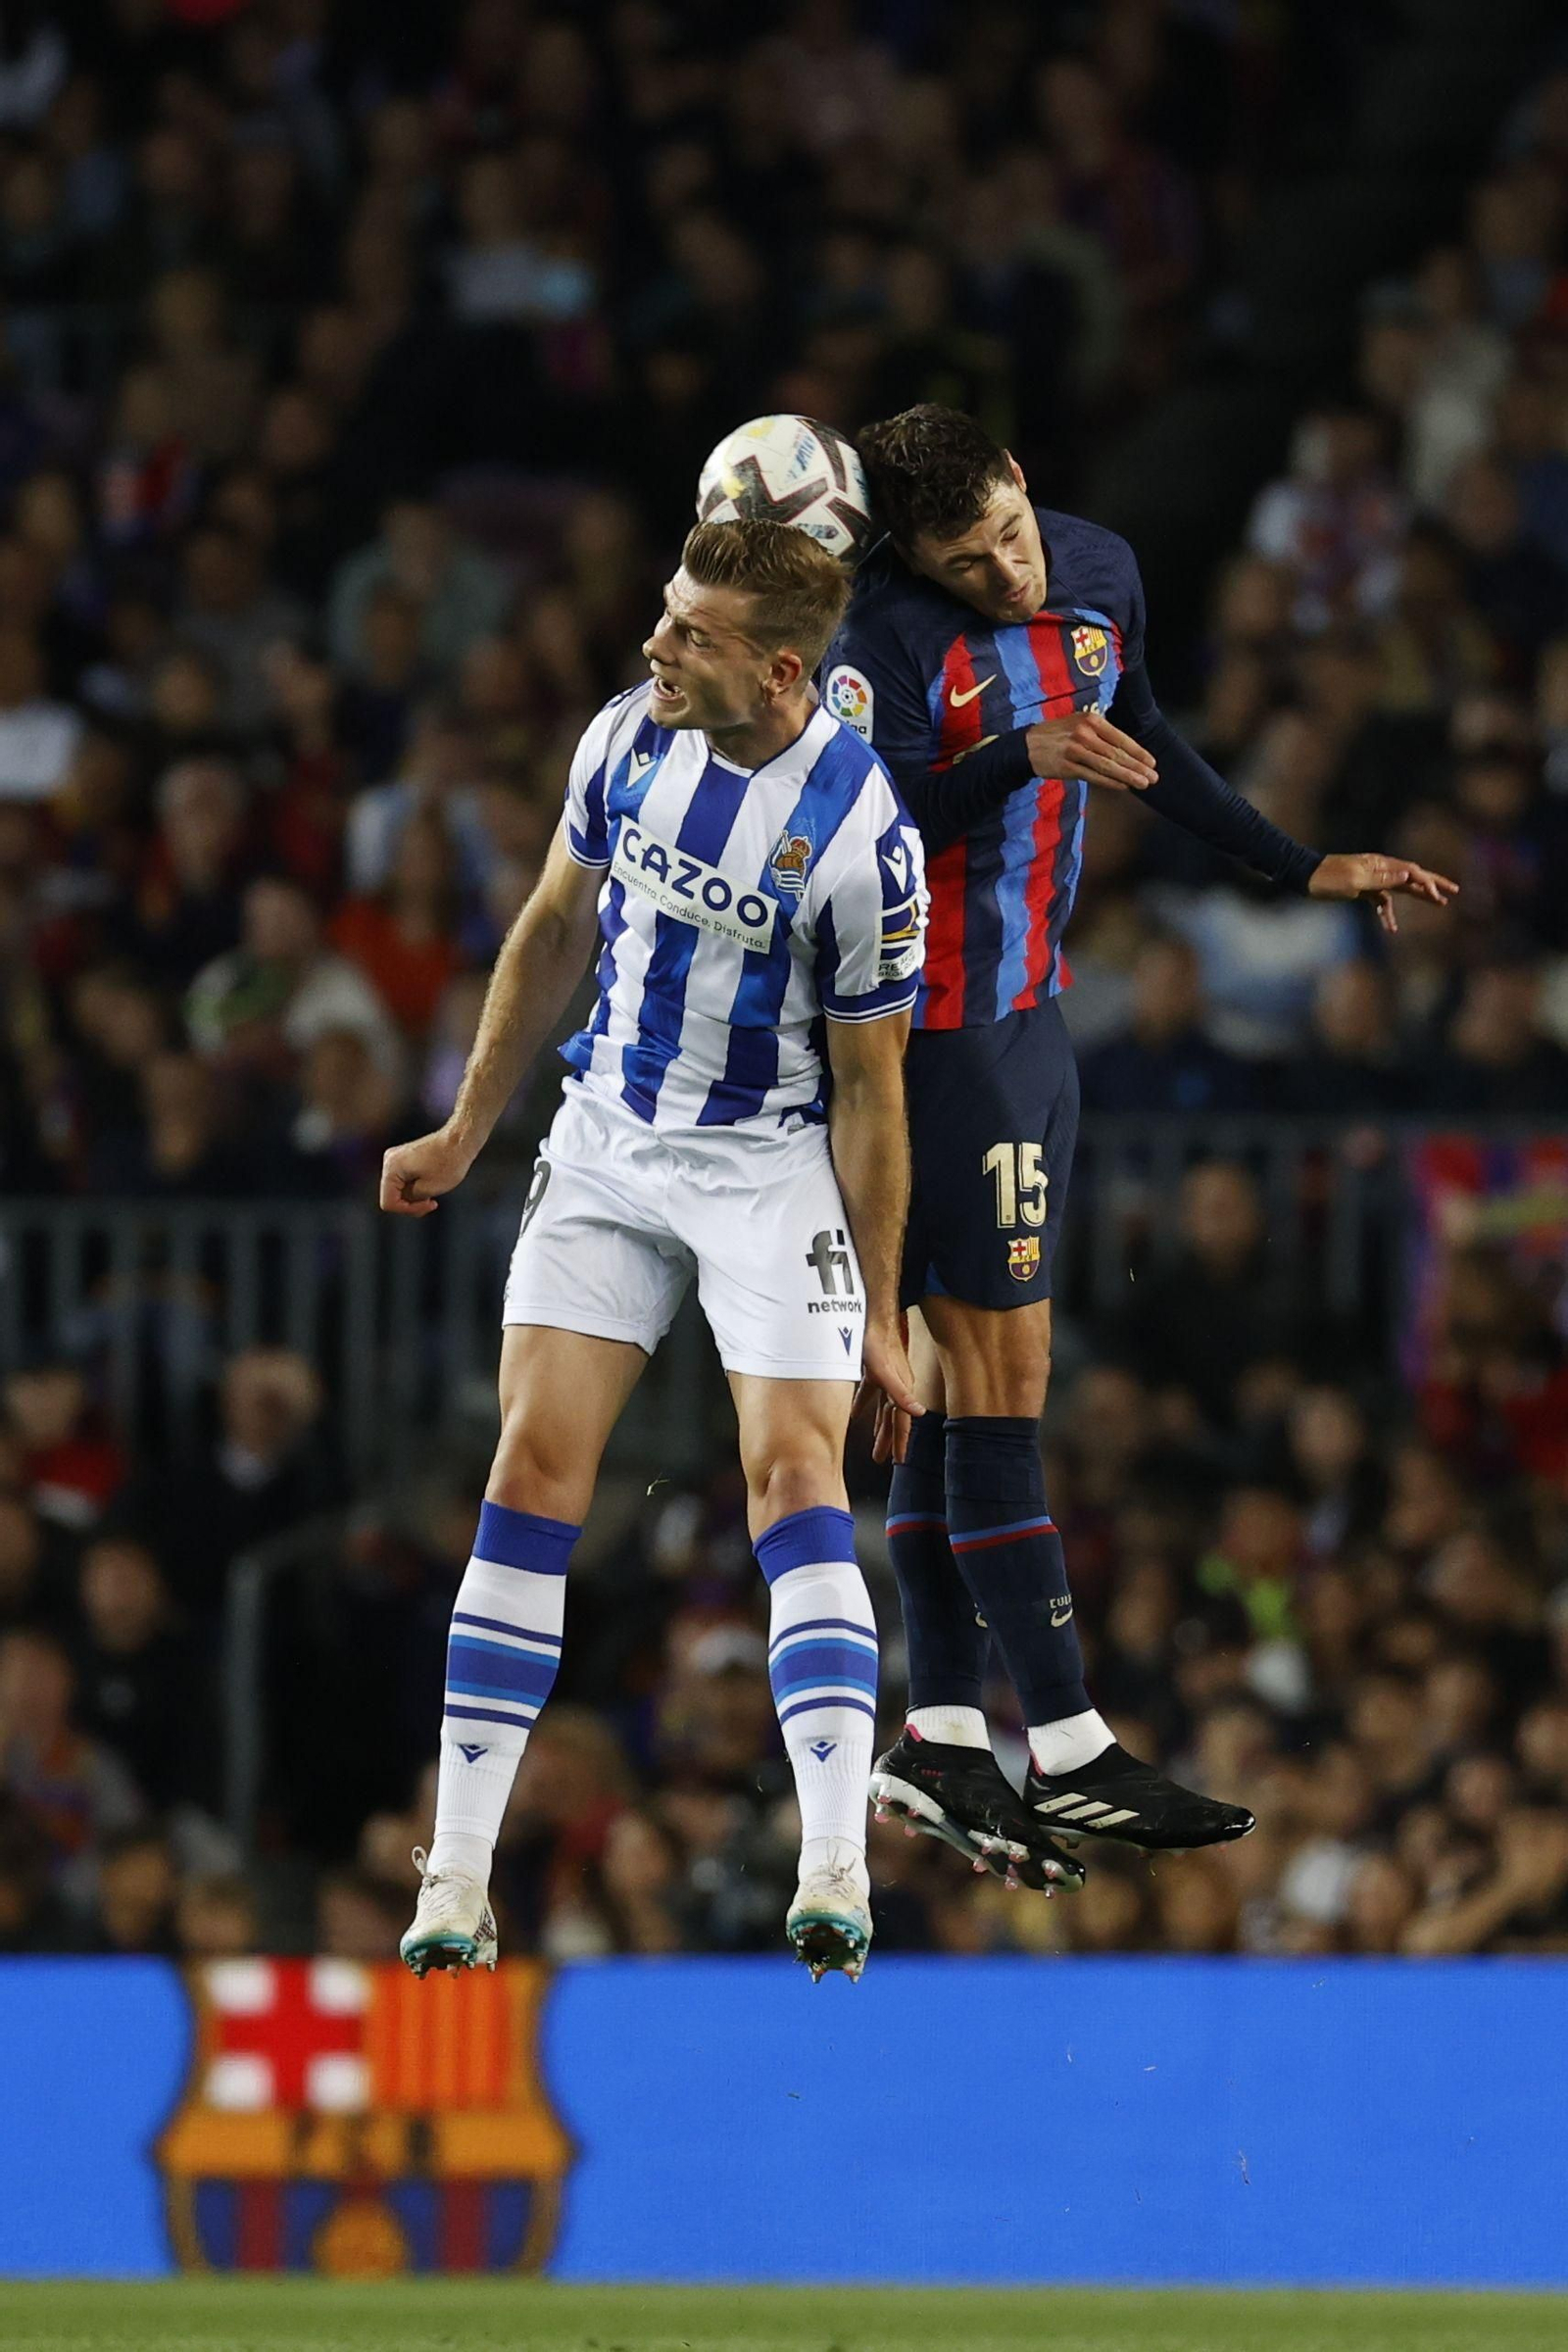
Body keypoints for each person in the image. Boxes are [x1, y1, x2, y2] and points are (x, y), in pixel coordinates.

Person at [822, 403, 1457, 1879]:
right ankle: (1067, 1744)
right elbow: (871, 820)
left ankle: (944, 1734)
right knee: (1000, 1384)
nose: (1005, 574)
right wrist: (1020, 756)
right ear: (910, 556)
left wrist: (1297, 863)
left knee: (956, 1393)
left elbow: (1145, 739)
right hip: (935, 1035)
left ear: (1021, 483)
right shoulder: (885, 636)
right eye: (965, 562)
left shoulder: (1101, 566)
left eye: (1007, 534)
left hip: (1031, 1016)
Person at [380, 518, 927, 1984]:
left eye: (691, 632)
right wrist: (466, 1129)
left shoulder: (865, 839)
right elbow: (553, 929)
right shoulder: (628, 736)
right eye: (666, 615)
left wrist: (880, 1308)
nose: (655, 645)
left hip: (768, 1166)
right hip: (611, 1146)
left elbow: (873, 1087)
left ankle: (833, 1859)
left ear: (781, 669)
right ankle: (458, 1872)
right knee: (528, 1470)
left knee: (795, 1478)